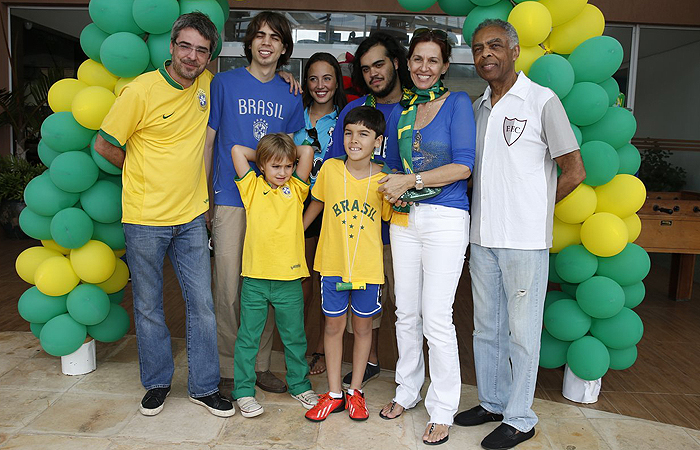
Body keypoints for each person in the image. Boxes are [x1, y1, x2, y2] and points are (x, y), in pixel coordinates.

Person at [94, 12, 234, 417]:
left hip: (192, 217)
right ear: (171, 47)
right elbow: (105, 145)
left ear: (209, 58)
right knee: (149, 306)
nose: (192, 57)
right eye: (185, 46)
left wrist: (288, 80)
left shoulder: (207, 85)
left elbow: (246, 87)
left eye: (202, 51)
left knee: (202, 305)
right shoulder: (140, 91)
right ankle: (156, 383)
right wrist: (140, 173)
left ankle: (204, 386)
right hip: (143, 218)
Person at [454, 19, 585, 450]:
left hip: (525, 242)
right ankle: (492, 403)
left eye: (494, 45)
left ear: (514, 51)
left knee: (522, 333)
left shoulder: (542, 101)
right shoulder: (478, 106)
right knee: (486, 329)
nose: (485, 54)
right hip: (482, 237)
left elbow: (574, 171)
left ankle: (521, 417)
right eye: (477, 48)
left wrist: (535, 210)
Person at [377, 28, 475, 445]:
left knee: (437, 317)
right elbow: (391, 170)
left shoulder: (457, 104)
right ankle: (407, 390)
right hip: (406, 219)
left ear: (445, 66)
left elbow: (464, 166)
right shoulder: (401, 112)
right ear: (407, 62)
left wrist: (411, 180)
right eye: (418, 59)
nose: (424, 67)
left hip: (446, 217)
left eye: (433, 60)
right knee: (405, 312)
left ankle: (443, 407)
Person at [205, 11, 305, 397]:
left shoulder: (289, 92)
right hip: (231, 197)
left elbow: (296, 149)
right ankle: (231, 367)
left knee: (267, 282)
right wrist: (207, 196)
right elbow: (211, 142)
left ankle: (260, 365)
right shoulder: (224, 83)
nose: (266, 42)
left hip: (275, 206)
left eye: (275, 38)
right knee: (229, 286)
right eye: (260, 35)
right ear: (250, 42)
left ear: (283, 48)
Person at [325, 31, 413, 389]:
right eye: (365, 69)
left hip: (404, 225)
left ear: (395, 62)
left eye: (379, 64)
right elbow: (334, 163)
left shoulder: (416, 105)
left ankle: (410, 380)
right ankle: (371, 362)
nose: (373, 73)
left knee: (406, 308)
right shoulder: (357, 109)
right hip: (359, 231)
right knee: (363, 313)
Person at [303, 106, 393, 422]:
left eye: (364, 134)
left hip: (368, 269)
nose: (354, 140)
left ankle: (355, 391)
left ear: (377, 141)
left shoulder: (385, 180)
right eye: (349, 132)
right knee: (332, 326)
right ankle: (334, 394)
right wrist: (295, 233)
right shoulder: (328, 169)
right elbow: (316, 202)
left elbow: (392, 219)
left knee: (363, 327)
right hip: (332, 265)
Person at [229, 134, 319, 417]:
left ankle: (299, 385)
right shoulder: (252, 187)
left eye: (288, 166)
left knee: (294, 338)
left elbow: (306, 150)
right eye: (275, 167)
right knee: (248, 338)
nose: (283, 173)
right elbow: (237, 149)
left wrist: (280, 155)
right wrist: (266, 155)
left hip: (289, 280)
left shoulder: (298, 188)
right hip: (255, 279)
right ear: (263, 167)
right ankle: (243, 391)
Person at [292, 52, 347, 376]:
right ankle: (297, 350)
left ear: (337, 81)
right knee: (302, 283)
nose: (320, 85)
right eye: (313, 78)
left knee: (327, 280)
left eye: (327, 78)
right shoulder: (294, 115)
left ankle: (322, 352)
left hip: (332, 208)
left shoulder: (344, 119)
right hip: (298, 204)